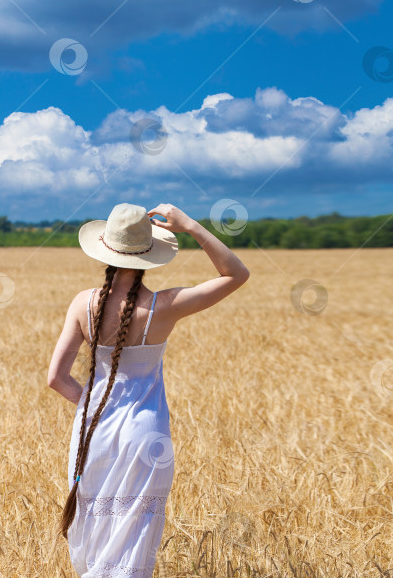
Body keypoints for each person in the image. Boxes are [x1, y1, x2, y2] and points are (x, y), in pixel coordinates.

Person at [47, 202, 250, 577]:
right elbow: (236, 274)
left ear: (105, 248)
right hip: (146, 434)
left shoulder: (82, 303)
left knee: (95, 526)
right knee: (134, 533)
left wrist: (94, 409)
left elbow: (56, 378)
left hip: (93, 431)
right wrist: (191, 226)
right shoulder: (165, 306)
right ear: (150, 256)